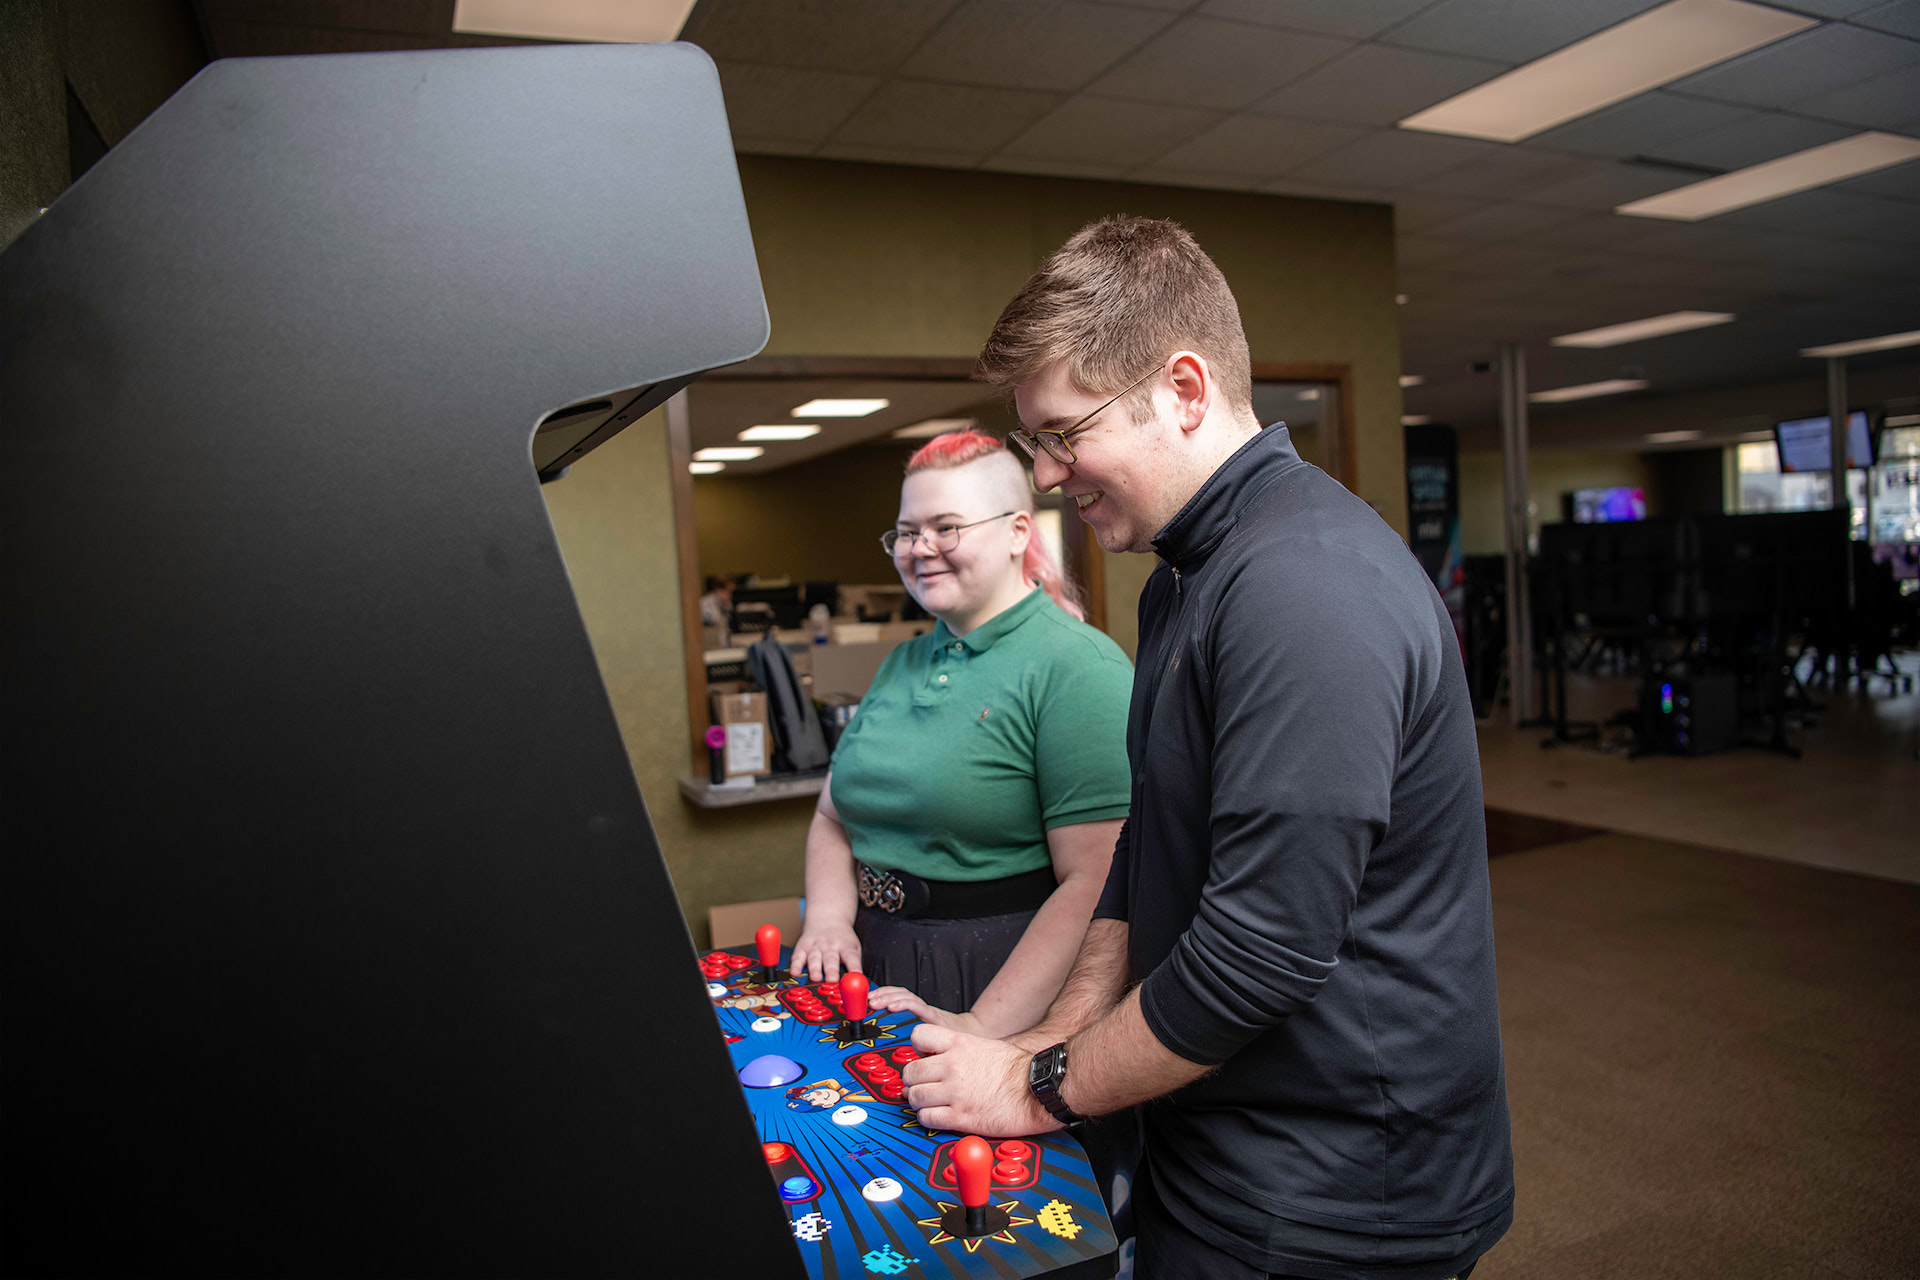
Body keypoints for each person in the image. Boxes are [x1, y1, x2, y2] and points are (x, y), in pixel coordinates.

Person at [898, 216, 1514, 1280]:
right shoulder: (1188, 573)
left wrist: (1035, 1086)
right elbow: (1149, 849)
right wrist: (1049, 1043)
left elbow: (1261, 951)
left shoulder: (1304, 585)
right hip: (1222, 1145)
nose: (1045, 476)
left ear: (1183, 388)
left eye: (1061, 434)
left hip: (1338, 1191)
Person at [788, 430, 1133, 1042]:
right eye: (907, 532)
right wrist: (829, 920)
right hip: (875, 965)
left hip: (998, 985)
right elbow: (831, 817)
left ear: (1018, 533)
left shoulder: (1078, 668)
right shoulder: (904, 660)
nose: (921, 549)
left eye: (947, 527)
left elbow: (1099, 884)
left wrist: (980, 1025)